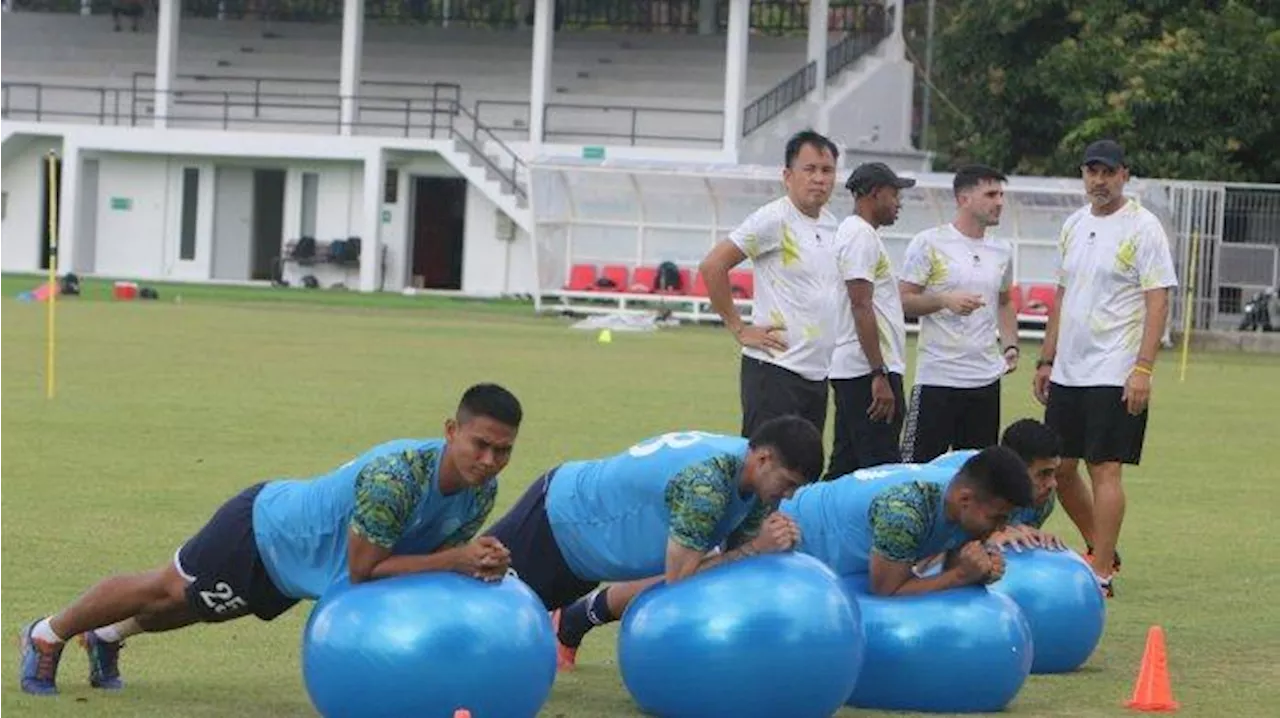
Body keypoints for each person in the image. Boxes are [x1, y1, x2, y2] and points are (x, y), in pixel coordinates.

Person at [19, 383, 523, 696]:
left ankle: (105, 635)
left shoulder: (480, 492)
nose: (489, 461)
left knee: (197, 608)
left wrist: (475, 562)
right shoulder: (397, 478)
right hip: (263, 530)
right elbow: (364, 572)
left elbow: (428, 562)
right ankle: (47, 632)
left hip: (298, 569)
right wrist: (458, 558)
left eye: (503, 451)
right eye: (480, 444)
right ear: (452, 430)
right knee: (165, 590)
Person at [484, 415, 825, 670]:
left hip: (589, 553)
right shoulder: (705, 485)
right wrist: (755, 549)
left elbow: (734, 565)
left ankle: (572, 619)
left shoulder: (753, 478)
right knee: (477, 611)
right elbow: (679, 584)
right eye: (788, 482)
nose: (790, 495)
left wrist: (771, 546)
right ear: (764, 459)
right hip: (556, 520)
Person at [1033, 139, 1178, 597]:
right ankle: (1101, 546)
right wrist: (1046, 358)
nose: (1099, 180)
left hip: (1115, 368)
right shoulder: (1073, 225)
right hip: (1068, 370)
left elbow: (1158, 299)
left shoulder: (1143, 227)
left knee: (1105, 468)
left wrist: (1143, 368)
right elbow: (1062, 295)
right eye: (1091, 172)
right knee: (1058, 468)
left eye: (1108, 172)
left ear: (1124, 175)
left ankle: (1099, 571)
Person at [698, 130, 842, 438]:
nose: (819, 178)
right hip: (775, 372)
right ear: (788, 176)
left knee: (803, 471)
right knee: (766, 472)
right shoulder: (774, 219)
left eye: (826, 170)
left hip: (818, 373)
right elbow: (713, 265)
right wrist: (739, 328)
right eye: (810, 169)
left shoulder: (833, 226)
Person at [781, 445, 1034, 595]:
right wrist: (960, 575)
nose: (1002, 528)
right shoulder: (904, 511)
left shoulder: (966, 489)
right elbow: (888, 591)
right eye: (997, 518)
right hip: (793, 535)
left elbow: (953, 555)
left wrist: (979, 566)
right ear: (965, 500)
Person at [899, 164, 1020, 464]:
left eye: (1001, 194)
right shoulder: (929, 243)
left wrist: (1011, 344)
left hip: (984, 380)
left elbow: (1004, 301)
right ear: (963, 199)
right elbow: (903, 300)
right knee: (918, 473)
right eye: (991, 194)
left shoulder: (1002, 250)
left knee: (979, 478)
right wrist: (943, 300)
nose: (999, 202)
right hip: (938, 378)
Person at [825, 162, 916, 478]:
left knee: (845, 467)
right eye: (894, 194)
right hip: (868, 372)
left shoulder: (858, 234)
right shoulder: (860, 237)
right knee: (881, 471)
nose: (898, 203)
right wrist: (879, 373)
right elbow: (860, 304)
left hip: (859, 368)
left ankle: (807, 524)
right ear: (875, 194)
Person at [913, 418, 1067, 577]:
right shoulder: (968, 488)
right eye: (1044, 474)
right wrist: (984, 539)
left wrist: (1032, 538)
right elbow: (924, 562)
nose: (1053, 484)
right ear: (1015, 468)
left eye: (1054, 472)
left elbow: (1013, 548)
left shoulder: (1042, 498)